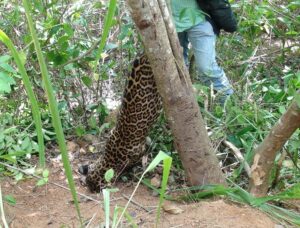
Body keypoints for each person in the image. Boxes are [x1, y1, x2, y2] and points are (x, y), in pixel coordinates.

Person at [170, 0, 234, 105]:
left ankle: (226, 106)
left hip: (200, 21)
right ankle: (187, 105)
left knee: (207, 67)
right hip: (170, 24)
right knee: (178, 68)